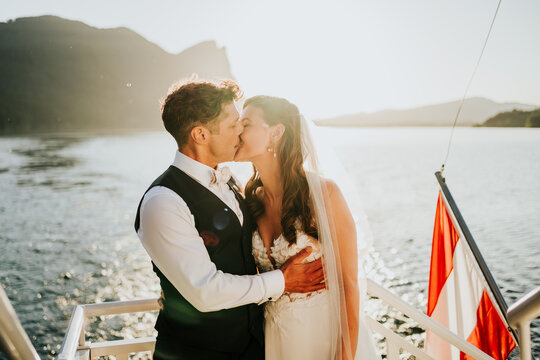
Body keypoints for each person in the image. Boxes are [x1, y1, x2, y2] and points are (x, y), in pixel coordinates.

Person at [134, 80, 325, 360]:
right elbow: (206, 291)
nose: (241, 132)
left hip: (256, 345)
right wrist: (283, 280)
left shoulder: (232, 181)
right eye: (234, 124)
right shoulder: (163, 202)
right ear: (200, 134)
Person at [234, 95, 380, 359]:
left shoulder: (325, 194)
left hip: (323, 335)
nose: (237, 130)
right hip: (275, 338)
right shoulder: (251, 200)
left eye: (246, 123)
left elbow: (349, 282)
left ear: (275, 133)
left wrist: (343, 355)